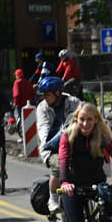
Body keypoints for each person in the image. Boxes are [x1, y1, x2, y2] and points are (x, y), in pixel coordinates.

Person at [33, 75, 83, 210]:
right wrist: (48, 143)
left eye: (47, 94)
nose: (44, 98)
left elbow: (82, 120)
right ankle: (52, 198)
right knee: (59, 166)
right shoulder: (42, 107)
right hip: (52, 147)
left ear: (58, 93)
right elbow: (43, 128)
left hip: (74, 144)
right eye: (43, 95)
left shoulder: (73, 102)